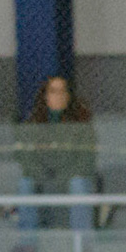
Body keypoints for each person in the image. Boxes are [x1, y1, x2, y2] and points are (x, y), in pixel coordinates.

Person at [15, 73, 97, 238]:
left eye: (62, 91)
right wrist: (43, 176)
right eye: (53, 91)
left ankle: (82, 242)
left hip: (71, 177)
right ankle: (27, 241)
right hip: (42, 177)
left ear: (69, 96)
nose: (58, 96)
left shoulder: (82, 124)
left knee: (78, 184)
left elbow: (86, 160)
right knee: (25, 183)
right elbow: (26, 159)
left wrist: (61, 178)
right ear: (45, 96)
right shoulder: (32, 124)